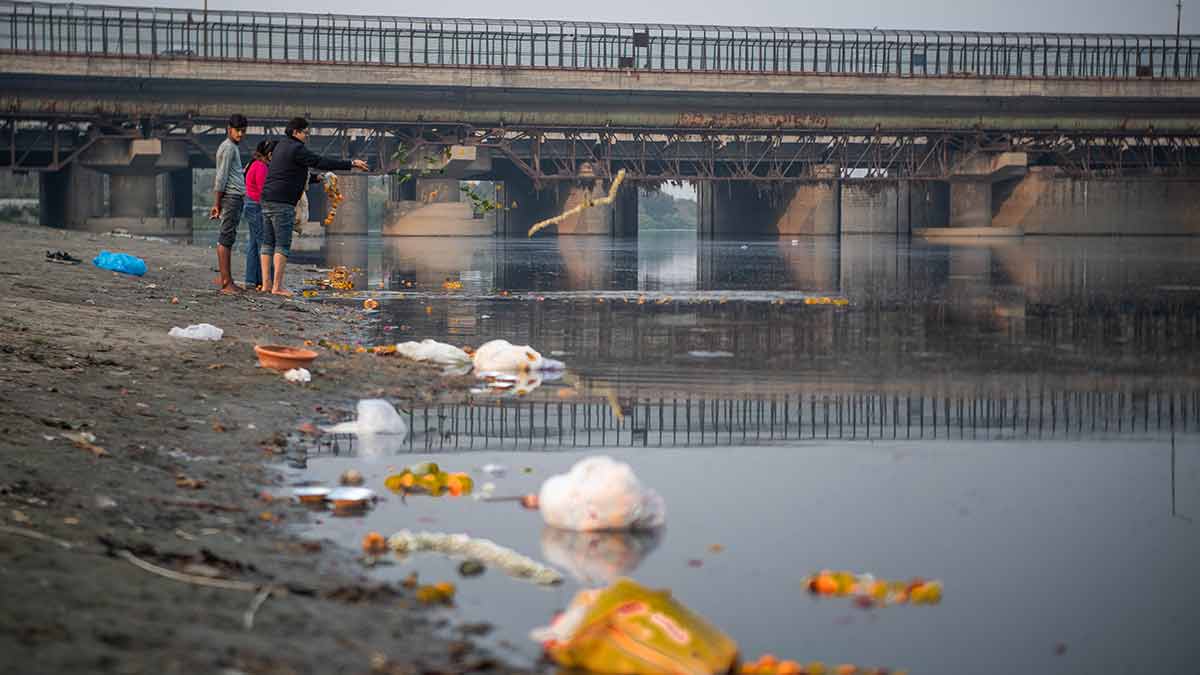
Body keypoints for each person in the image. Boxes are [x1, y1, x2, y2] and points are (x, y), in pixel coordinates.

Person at [260, 117, 368, 297]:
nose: (307, 137)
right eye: (305, 133)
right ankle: (277, 287)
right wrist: (350, 163)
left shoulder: (280, 146)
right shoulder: (297, 148)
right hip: (282, 202)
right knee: (282, 244)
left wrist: (318, 178)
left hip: (267, 199)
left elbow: (291, 173)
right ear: (296, 132)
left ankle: (266, 285)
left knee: (267, 243)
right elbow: (320, 161)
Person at [210, 113, 248, 295]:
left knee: (229, 237)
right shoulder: (229, 148)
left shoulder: (232, 147)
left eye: (243, 131)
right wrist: (216, 204)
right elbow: (221, 177)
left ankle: (228, 280)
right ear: (229, 129)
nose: (240, 134)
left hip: (234, 197)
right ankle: (226, 283)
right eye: (237, 130)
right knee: (225, 238)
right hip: (231, 197)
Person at [242, 139, 276, 291]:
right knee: (264, 244)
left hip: (250, 204)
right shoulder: (261, 167)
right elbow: (264, 191)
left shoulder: (252, 164)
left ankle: (252, 280)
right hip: (257, 207)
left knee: (254, 244)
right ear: (269, 154)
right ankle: (266, 280)